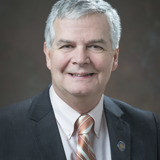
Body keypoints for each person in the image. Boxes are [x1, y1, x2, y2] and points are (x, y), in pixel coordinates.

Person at [0, 0, 159, 159]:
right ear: (48, 55)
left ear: (115, 57)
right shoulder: (5, 129)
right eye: (67, 46)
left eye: (95, 46)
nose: (81, 59)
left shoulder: (149, 129)